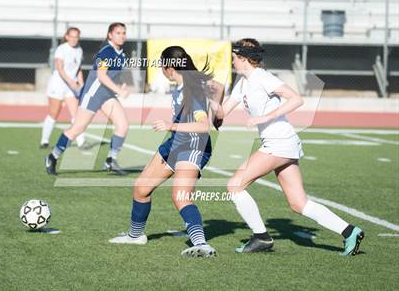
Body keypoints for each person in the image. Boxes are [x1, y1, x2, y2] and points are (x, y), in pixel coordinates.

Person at [210, 38, 364, 256]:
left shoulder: (263, 77)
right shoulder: (242, 82)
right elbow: (220, 115)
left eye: (234, 58)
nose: (231, 61)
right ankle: (350, 231)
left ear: (244, 58)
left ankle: (261, 237)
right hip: (280, 143)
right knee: (298, 203)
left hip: (278, 143)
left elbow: (296, 99)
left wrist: (265, 116)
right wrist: (214, 95)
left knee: (235, 185)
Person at [109, 46, 216, 258]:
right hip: (175, 143)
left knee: (181, 196)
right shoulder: (184, 86)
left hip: (193, 146)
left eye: (162, 66)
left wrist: (171, 125)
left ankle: (201, 244)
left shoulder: (191, 90)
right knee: (141, 188)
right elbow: (216, 88)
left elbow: (204, 126)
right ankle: (135, 236)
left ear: (169, 67)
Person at [44, 22, 130, 175]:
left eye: (123, 33)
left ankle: (111, 160)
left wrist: (121, 86)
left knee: (122, 125)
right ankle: (52, 157)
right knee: (77, 129)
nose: (121, 35)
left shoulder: (121, 53)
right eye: (118, 33)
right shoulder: (107, 52)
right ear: (110, 35)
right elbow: (101, 76)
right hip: (93, 95)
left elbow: (113, 76)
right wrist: (119, 90)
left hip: (106, 95)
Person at [40, 27, 86, 148]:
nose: (74, 39)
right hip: (58, 85)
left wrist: (81, 84)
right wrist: (71, 82)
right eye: (72, 36)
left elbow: (78, 69)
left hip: (71, 87)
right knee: (53, 114)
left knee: (76, 114)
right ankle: (44, 140)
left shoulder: (79, 50)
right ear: (67, 36)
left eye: (77, 36)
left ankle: (81, 141)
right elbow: (60, 69)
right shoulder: (61, 49)